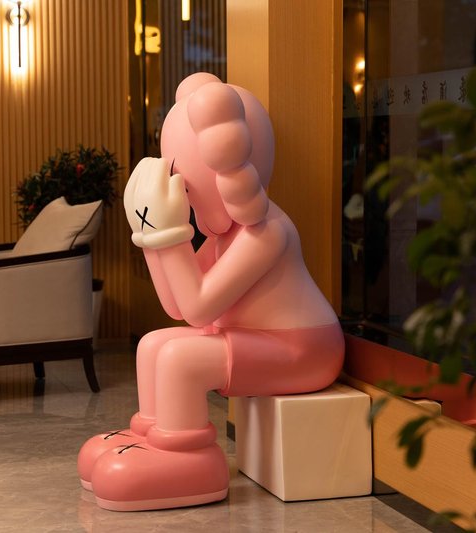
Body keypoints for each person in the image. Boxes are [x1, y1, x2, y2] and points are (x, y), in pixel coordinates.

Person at [77, 72, 344, 511]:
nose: (183, 194)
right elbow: (177, 306)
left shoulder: (267, 232)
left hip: (304, 349)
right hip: (258, 340)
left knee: (181, 359)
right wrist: (149, 234)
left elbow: (200, 309)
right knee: (153, 344)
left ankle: (188, 459)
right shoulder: (226, 234)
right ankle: (152, 436)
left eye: (186, 184)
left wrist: (168, 234)